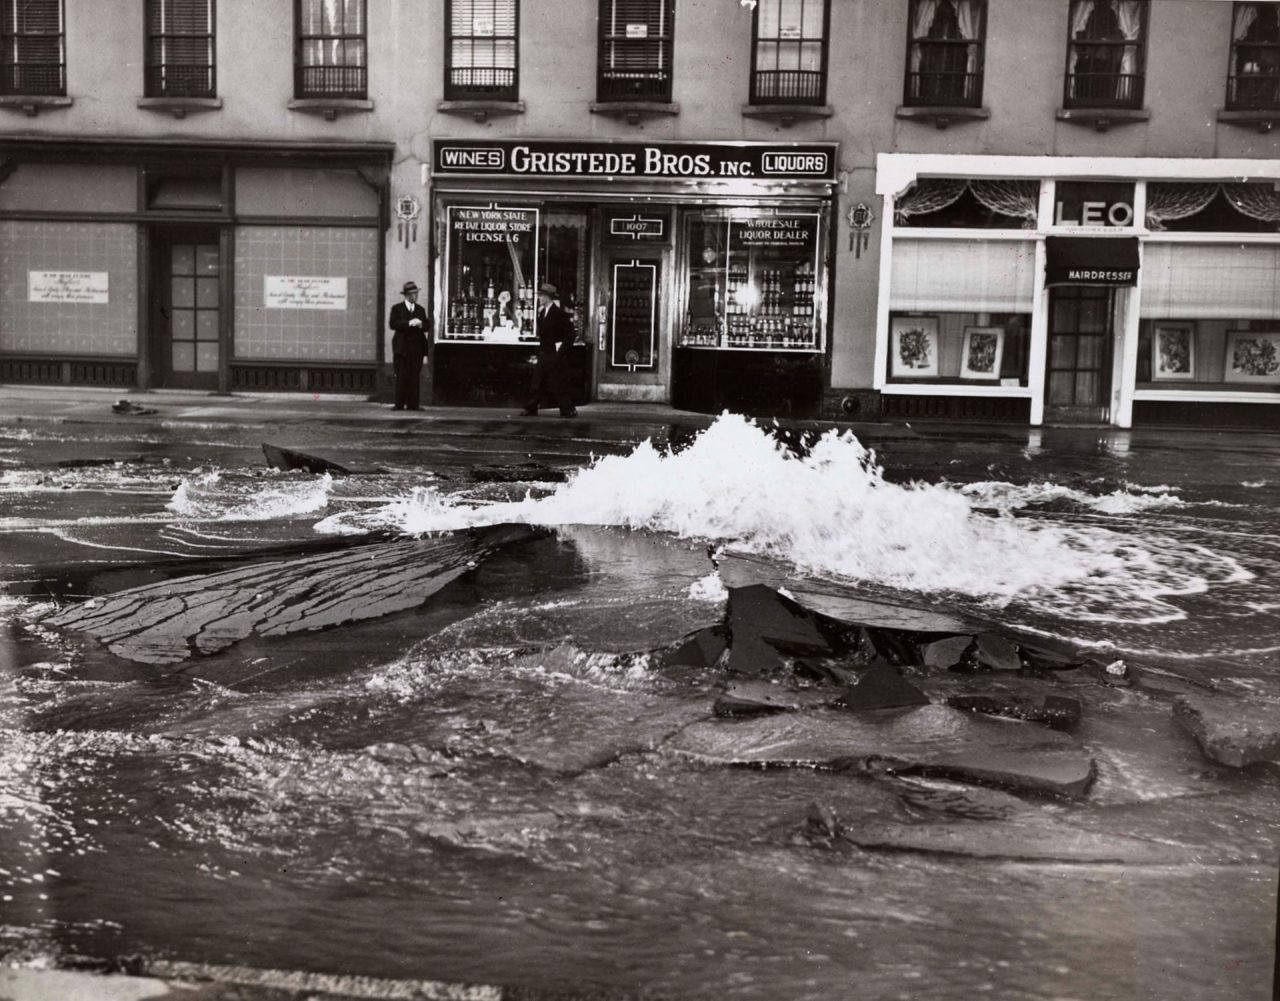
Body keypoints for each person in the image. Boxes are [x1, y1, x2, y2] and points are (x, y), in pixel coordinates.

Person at [520, 282, 577, 417]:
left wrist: (561, 350)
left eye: (541, 296)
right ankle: (531, 408)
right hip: (545, 353)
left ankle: (568, 410)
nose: (539, 298)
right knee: (537, 381)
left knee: (558, 382)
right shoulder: (542, 313)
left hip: (554, 354)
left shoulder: (558, 313)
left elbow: (570, 334)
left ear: (547, 297)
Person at [388, 281, 428, 411]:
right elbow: (393, 324)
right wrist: (409, 323)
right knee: (401, 375)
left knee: (414, 376)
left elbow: (427, 326)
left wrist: (421, 324)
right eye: (412, 294)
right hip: (402, 348)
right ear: (406, 295)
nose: (415, 296)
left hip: (417, 349)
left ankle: (413, 405)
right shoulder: (397, 308)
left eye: (416, 294)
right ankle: (399, 404)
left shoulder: (420, 309)